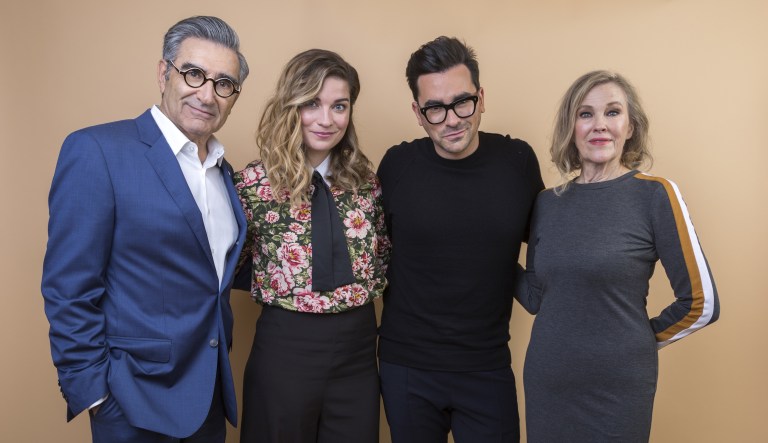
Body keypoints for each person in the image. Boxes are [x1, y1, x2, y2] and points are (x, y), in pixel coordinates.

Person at [41, 16, 249, 443]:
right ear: (163, 73)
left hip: (208, 399)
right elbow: (69, 287)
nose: (207, 94)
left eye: (224, 83)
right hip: (131, 401)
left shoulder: (223, 172)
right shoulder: (98, 150)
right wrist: (95, 393)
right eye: (194, 74)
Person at [516, 70, 720, 442]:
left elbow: (702, 303)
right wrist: (485, 256)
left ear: (630, 127)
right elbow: (536, 297)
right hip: (548, 383)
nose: (599, 125)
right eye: (585, 114)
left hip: (617, 390)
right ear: (571, 127)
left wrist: (634, 341)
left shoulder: (655, 195)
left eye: (612, 112)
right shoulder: (547, 203)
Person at [376, 36, 544, 443]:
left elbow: (550, 253)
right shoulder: (397, 165)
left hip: (486, 365)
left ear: (482, 98)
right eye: (435, 108)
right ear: (417, 112)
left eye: (462, 102)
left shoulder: (518, 162)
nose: (451, 119)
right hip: (408, 367)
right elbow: (369, 254)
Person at [233, 48, 389, 443]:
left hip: (357, 352)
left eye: (339, 106)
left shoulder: (365, 182)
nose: (326, 119)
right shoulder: (252, 185)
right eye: (312, 104)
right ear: (291, 105)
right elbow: (227, 264)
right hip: (285, 348)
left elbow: (382, 256)